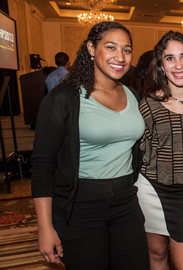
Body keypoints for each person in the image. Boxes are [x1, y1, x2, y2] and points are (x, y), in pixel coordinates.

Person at [30, 22, 149, 270]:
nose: (120, 56)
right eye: (111, 47)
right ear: (91, 48)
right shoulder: (64, 98)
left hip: (126, 202)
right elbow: (42, 166)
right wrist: (45, 227)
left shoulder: (132, 95)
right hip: (80, 205)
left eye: (127, 50)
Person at [134, 31, 183, 270]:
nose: (178, 65)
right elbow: (138, 149)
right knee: (157, 254)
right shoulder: (148, 103)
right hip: (151, 188)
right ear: (160, 65)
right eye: (170, 58)